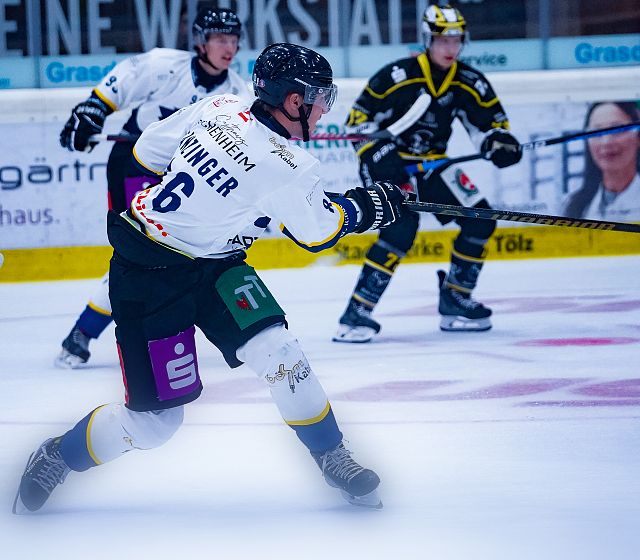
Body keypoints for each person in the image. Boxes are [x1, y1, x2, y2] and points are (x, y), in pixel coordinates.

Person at [13, 43, 408, 514]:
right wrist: (369, 207)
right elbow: (319, 230)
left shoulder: (222, 106)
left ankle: (331, 455)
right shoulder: (290, 168)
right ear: (292, 101)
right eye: (320, 97)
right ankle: (58, 454)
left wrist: (217, 207)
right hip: (150, 276)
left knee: (278, 349)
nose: (325, 108)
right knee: (155, 423)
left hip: (216, 263)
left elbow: (146, 151)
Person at [56, 7, 249, 368]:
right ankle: (85, 330)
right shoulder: (165, 65)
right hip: (133, 163)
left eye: (234, 40)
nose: (229, 48)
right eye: (221, 39)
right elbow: (119, 85)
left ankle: (96, 330)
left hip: (184, 178)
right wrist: (93, 110)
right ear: (201, 41)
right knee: (141, 251)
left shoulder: (237, 93)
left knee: (159, 256)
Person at [333, 4, 522, 342]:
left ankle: (455, 299)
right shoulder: (396, 76)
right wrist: (382, 155)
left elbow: (490, 125)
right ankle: (357, 311)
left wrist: (499, 143)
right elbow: (357, 122)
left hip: (434, 164)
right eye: (443, 40)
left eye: (456, 40)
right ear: (427, 39)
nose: (450, 48)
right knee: (402, 228)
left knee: (481, 218)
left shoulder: (469, 81)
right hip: (388, 164)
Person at [563, 101, 640, 221]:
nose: (606, 142)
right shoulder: (574, 205)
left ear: (638, 137)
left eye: (617, 130)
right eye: (597, 132)